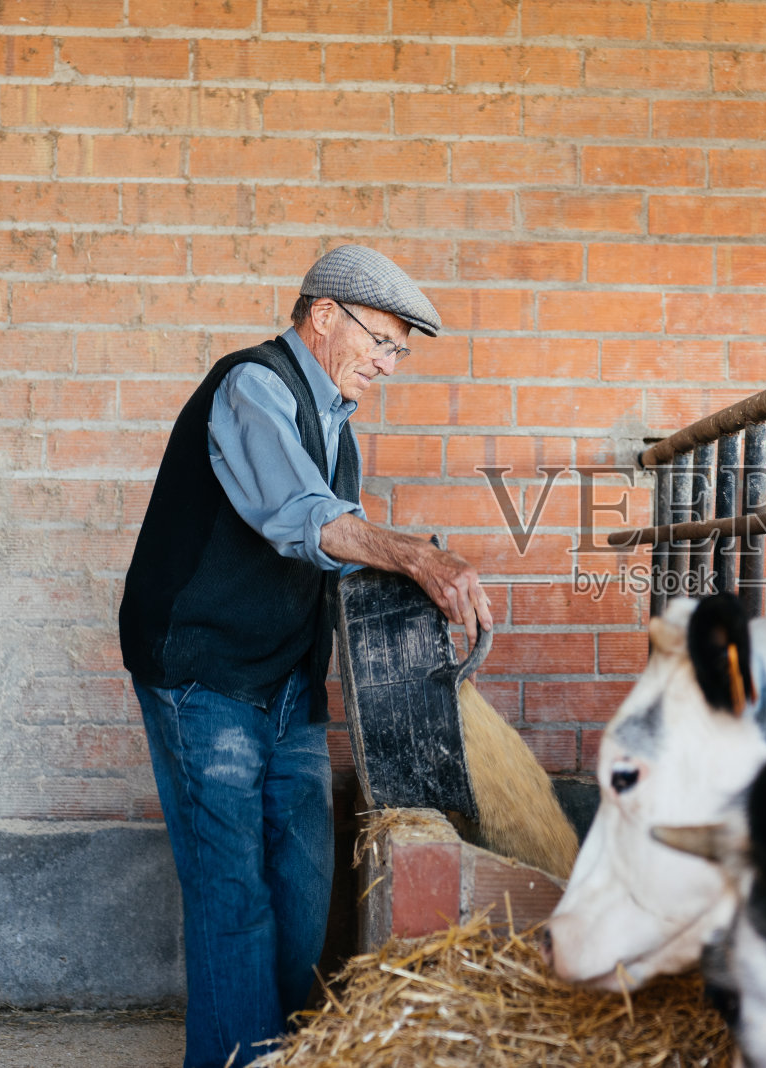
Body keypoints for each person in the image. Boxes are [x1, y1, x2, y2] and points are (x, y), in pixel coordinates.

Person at [118, 245, 492, 1068]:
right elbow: (305, 519)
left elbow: (337, 553)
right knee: (234, 895)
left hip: (285, 679)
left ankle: (283, 1052)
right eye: (383, 341)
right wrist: (417, 556)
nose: (389, 364)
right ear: (324, 314)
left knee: (300, 889)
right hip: (203, 674)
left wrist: (407, 595)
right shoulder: (252, 386)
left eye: (400, 350)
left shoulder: (339, 433)